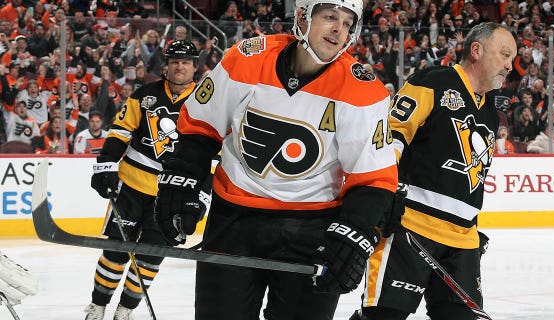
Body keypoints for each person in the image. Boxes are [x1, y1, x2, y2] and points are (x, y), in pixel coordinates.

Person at [153, 0, 398, 319]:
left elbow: (373, 178)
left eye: (348, 23)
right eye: (330, 17)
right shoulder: (246, 58)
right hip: (233, 223)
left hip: (313, 231)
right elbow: (202, 125)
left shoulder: (363, 92)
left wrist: (354, 231)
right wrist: (181, 179)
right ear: (302, 17)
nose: (339, 30)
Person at [351, 22, 517, 320]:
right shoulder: (433, 82)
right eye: (505, 55)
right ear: (476, 50)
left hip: (462, 242)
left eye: (513, 59)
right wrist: (380, 196)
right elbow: (391, 138)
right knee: (383, 316)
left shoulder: (491, 112)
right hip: (408, 228)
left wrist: (470, 224)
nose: (510, 65)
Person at [84, 40, 206, 320]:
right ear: (166, 65)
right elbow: (121, 131)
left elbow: (212, 153)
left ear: (194, 67)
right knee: (115, 251)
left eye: (186, 62)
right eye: (175, 61)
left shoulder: (204, 102)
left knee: (149, 259)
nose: (179, 66)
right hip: (131, 186)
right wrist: (105, 165)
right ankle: (98, 306)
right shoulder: (145, 95)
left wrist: (202, 195)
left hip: (173, 194)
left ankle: (126, 310)